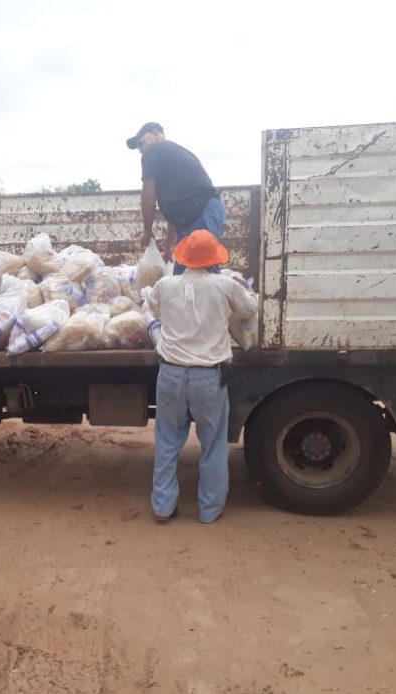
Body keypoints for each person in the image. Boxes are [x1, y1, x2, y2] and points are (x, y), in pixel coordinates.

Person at [144, 229, 258, 524]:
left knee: (167, 443)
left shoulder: (165, 284)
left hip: (169, 374)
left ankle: (162, 508)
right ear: (214, 259)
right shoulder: (225, 285)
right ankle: (209, 511)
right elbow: (248, 309)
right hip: (208, 377)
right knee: (213, 445)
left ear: (182, 258)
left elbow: (152, 307)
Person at [127, 122, 226, 274]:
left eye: (141, 142)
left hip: (201, 211)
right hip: (195, 213)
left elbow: (148, 195)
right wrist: (169, 246)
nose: (141, 149)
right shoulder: (169, 156)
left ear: (155, 133)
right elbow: (175, 208)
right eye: (138, 147)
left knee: (204, 269)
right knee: (181, 275)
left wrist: (147, 231)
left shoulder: (154, 151)